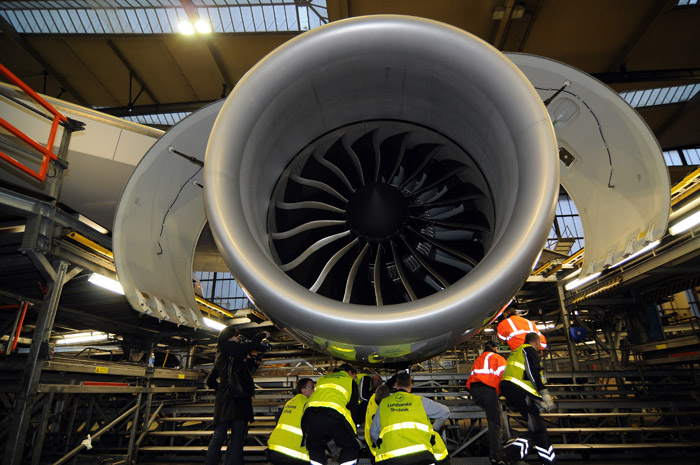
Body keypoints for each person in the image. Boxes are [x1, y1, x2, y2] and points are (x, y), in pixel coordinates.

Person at [205, 327, 270, 465]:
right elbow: (251, 345)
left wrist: (223, 388)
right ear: (230, 337)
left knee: (218, 437)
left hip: (223, 403)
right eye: (236, 336)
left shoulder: (220, 354)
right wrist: (262, 334)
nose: (238, 338)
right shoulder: (232, 348)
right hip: (238, 402)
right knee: (237, 439)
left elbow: (210, 381)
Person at [369, 372, 450, 465]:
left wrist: (385, 443)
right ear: (410, 386)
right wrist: (434, 429)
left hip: (391, 459)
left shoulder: (384, 403)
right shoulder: (419, 401)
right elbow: (445, 412)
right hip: (421, 457)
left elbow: (373, 432)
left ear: (396, 385)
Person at [500, 332, 556, 465]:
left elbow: (524, 376)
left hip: (513, 390)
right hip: (519, 391)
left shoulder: (517, 352)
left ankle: (549, 461)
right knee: (538, 430)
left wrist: (536, 399)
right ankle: (507, 453)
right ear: (536, 342)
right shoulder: (528, 349)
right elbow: (532, 372)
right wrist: (544, 393)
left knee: (539, 430)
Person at [302, 363, 360, 465]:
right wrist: (353, 432)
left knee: (316, 447)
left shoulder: (322, 379)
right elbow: (353, 409)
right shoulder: (349, 381)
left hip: (310, 415)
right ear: (350, 372)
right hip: (334, 415)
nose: (355, 379)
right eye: (355, 376)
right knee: (351, 446)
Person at [466, 341, 508, 465]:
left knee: (498, 418)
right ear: (495, 348)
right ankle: (496, 456)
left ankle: (505, 441)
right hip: (487, 390)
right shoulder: (497, 358)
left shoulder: (479, 359)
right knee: (496, 424)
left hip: (475, 391)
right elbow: (505, 377)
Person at [267, 378, 315, 465]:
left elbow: (277, 418)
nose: (314, 390)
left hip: (275, 448)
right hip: (293, 453)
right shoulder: (308, 404)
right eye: (312, 387)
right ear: (303, 390)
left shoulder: (289, 403)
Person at [364, 384, 390, 462]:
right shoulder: (377, 413)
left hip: (369, 438)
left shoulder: (372, 397)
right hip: (373, 443)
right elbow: (374, 432)